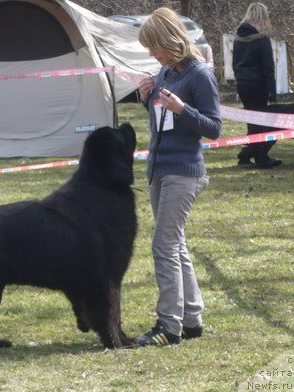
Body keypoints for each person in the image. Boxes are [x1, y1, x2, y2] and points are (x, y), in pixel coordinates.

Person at [136, 7, 221, 346]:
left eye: (152, 46)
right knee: (177, 246)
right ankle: (192, 319)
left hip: (183, 173)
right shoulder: (165, 72)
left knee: (164, 246)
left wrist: (182, 109)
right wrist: (147, 100)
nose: (150, 53)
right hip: (159, 169)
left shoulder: (199, 75)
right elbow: (163, 123)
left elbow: (214, 128)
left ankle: (168, 326)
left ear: (168, 41)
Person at [233, 2, 282, 168]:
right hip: (258, 86)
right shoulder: (262, 40)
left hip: (243, 85)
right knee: (265, 121)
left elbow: (235, 64)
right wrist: (272, 94)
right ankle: (250, 155)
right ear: (262, 19)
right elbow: (269, 70)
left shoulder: (238, 38)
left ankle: (252, 155)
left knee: (253, 122)